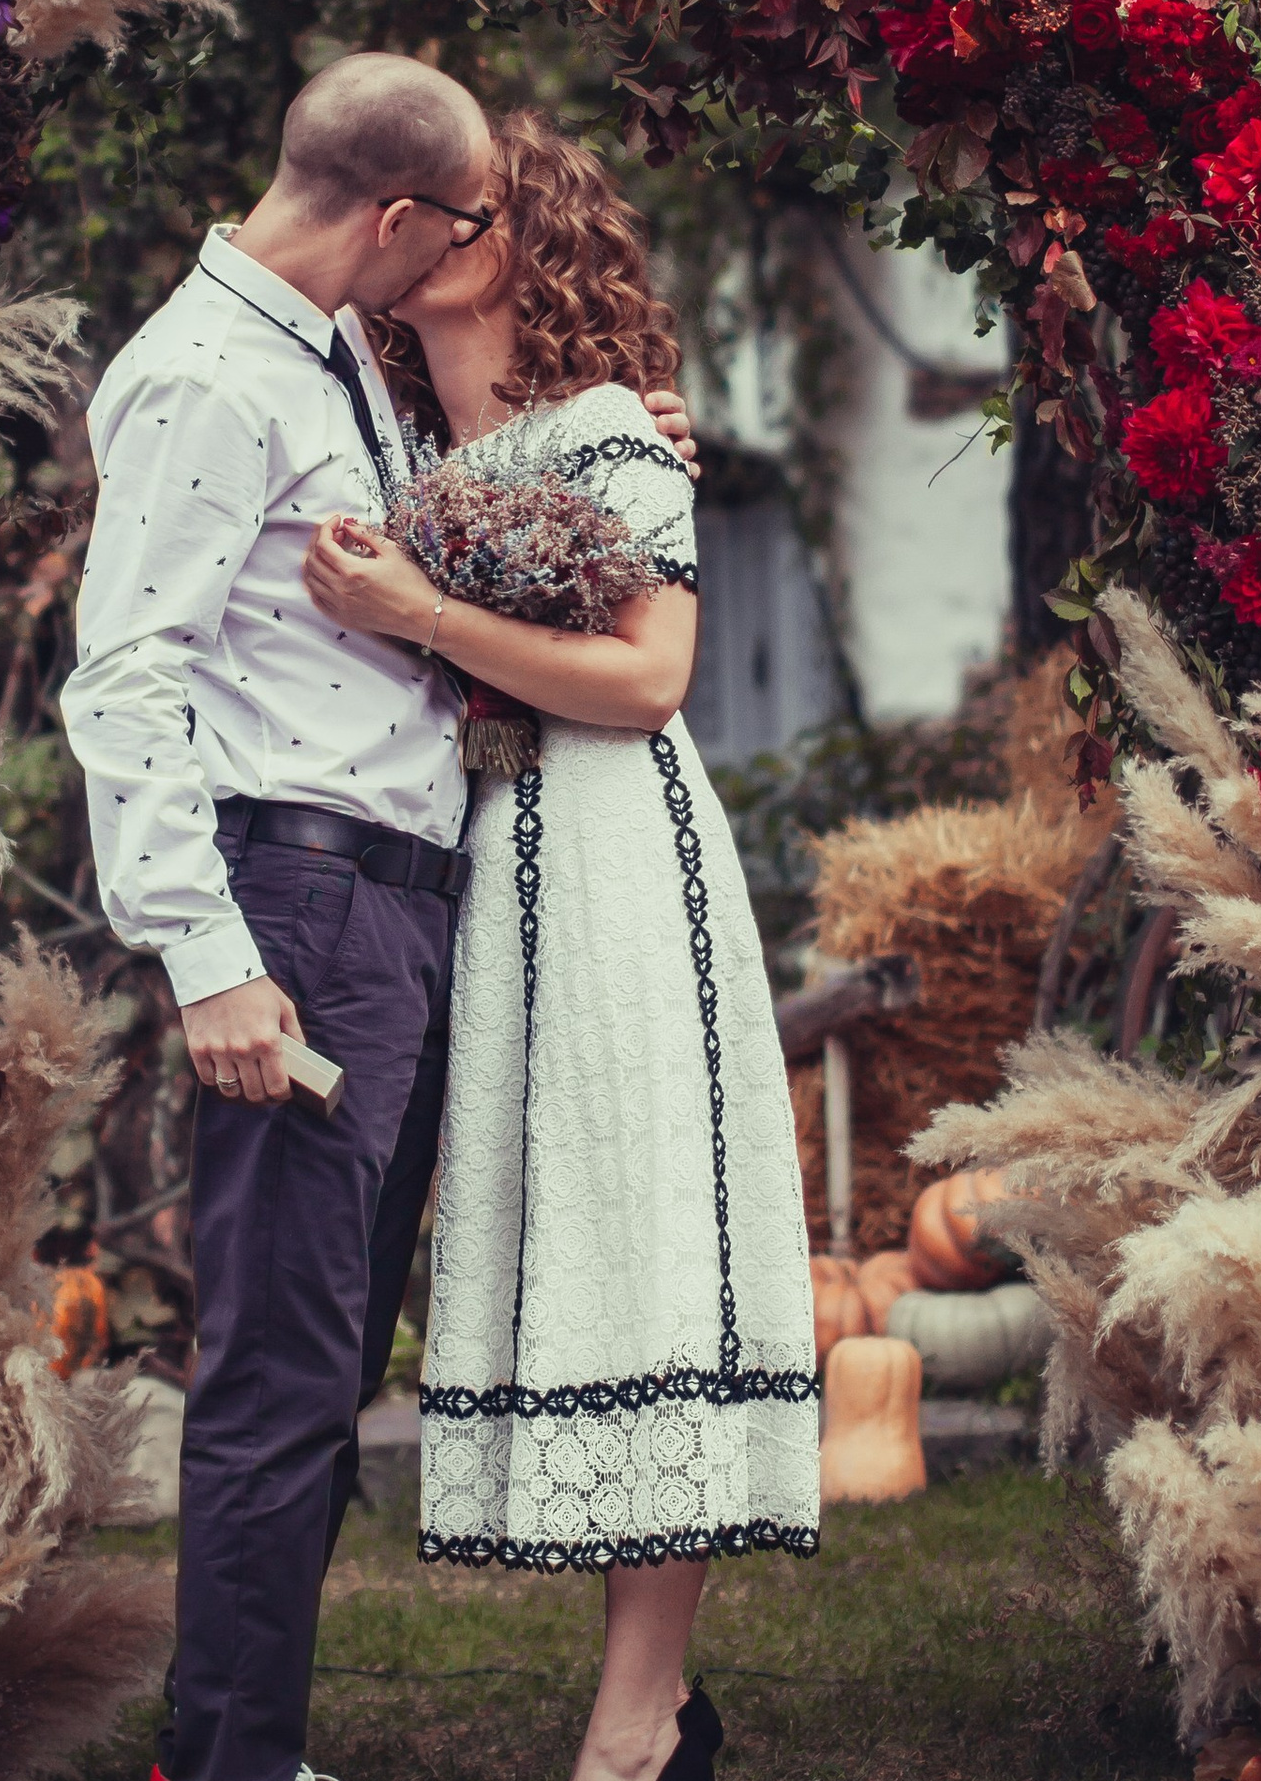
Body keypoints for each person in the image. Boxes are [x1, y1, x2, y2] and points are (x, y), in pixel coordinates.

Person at [62, 55, 694, 1781]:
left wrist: (626, 461)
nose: (479, 254)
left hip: (393, 911)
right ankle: (236, 1763)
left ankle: (242, 1744)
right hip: (305, 901)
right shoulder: (205, 376)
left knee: (323, 1363)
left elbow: (462, 504)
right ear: (403, 221)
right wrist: (214, 964)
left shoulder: (330, 352)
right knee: (278, 1370)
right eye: (472, 225)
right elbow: (125, 684)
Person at [301, 110, 818, 1781]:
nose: (455, 227)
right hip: (464, 872)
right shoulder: (387, 457)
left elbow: (651, 683)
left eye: (492, 207)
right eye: (439, 209)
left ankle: (640, 1716)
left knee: (636, 1226)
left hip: (608, 859)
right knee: (547, 1240)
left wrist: (429, 617)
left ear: (541, 242)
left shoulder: (610, 433)